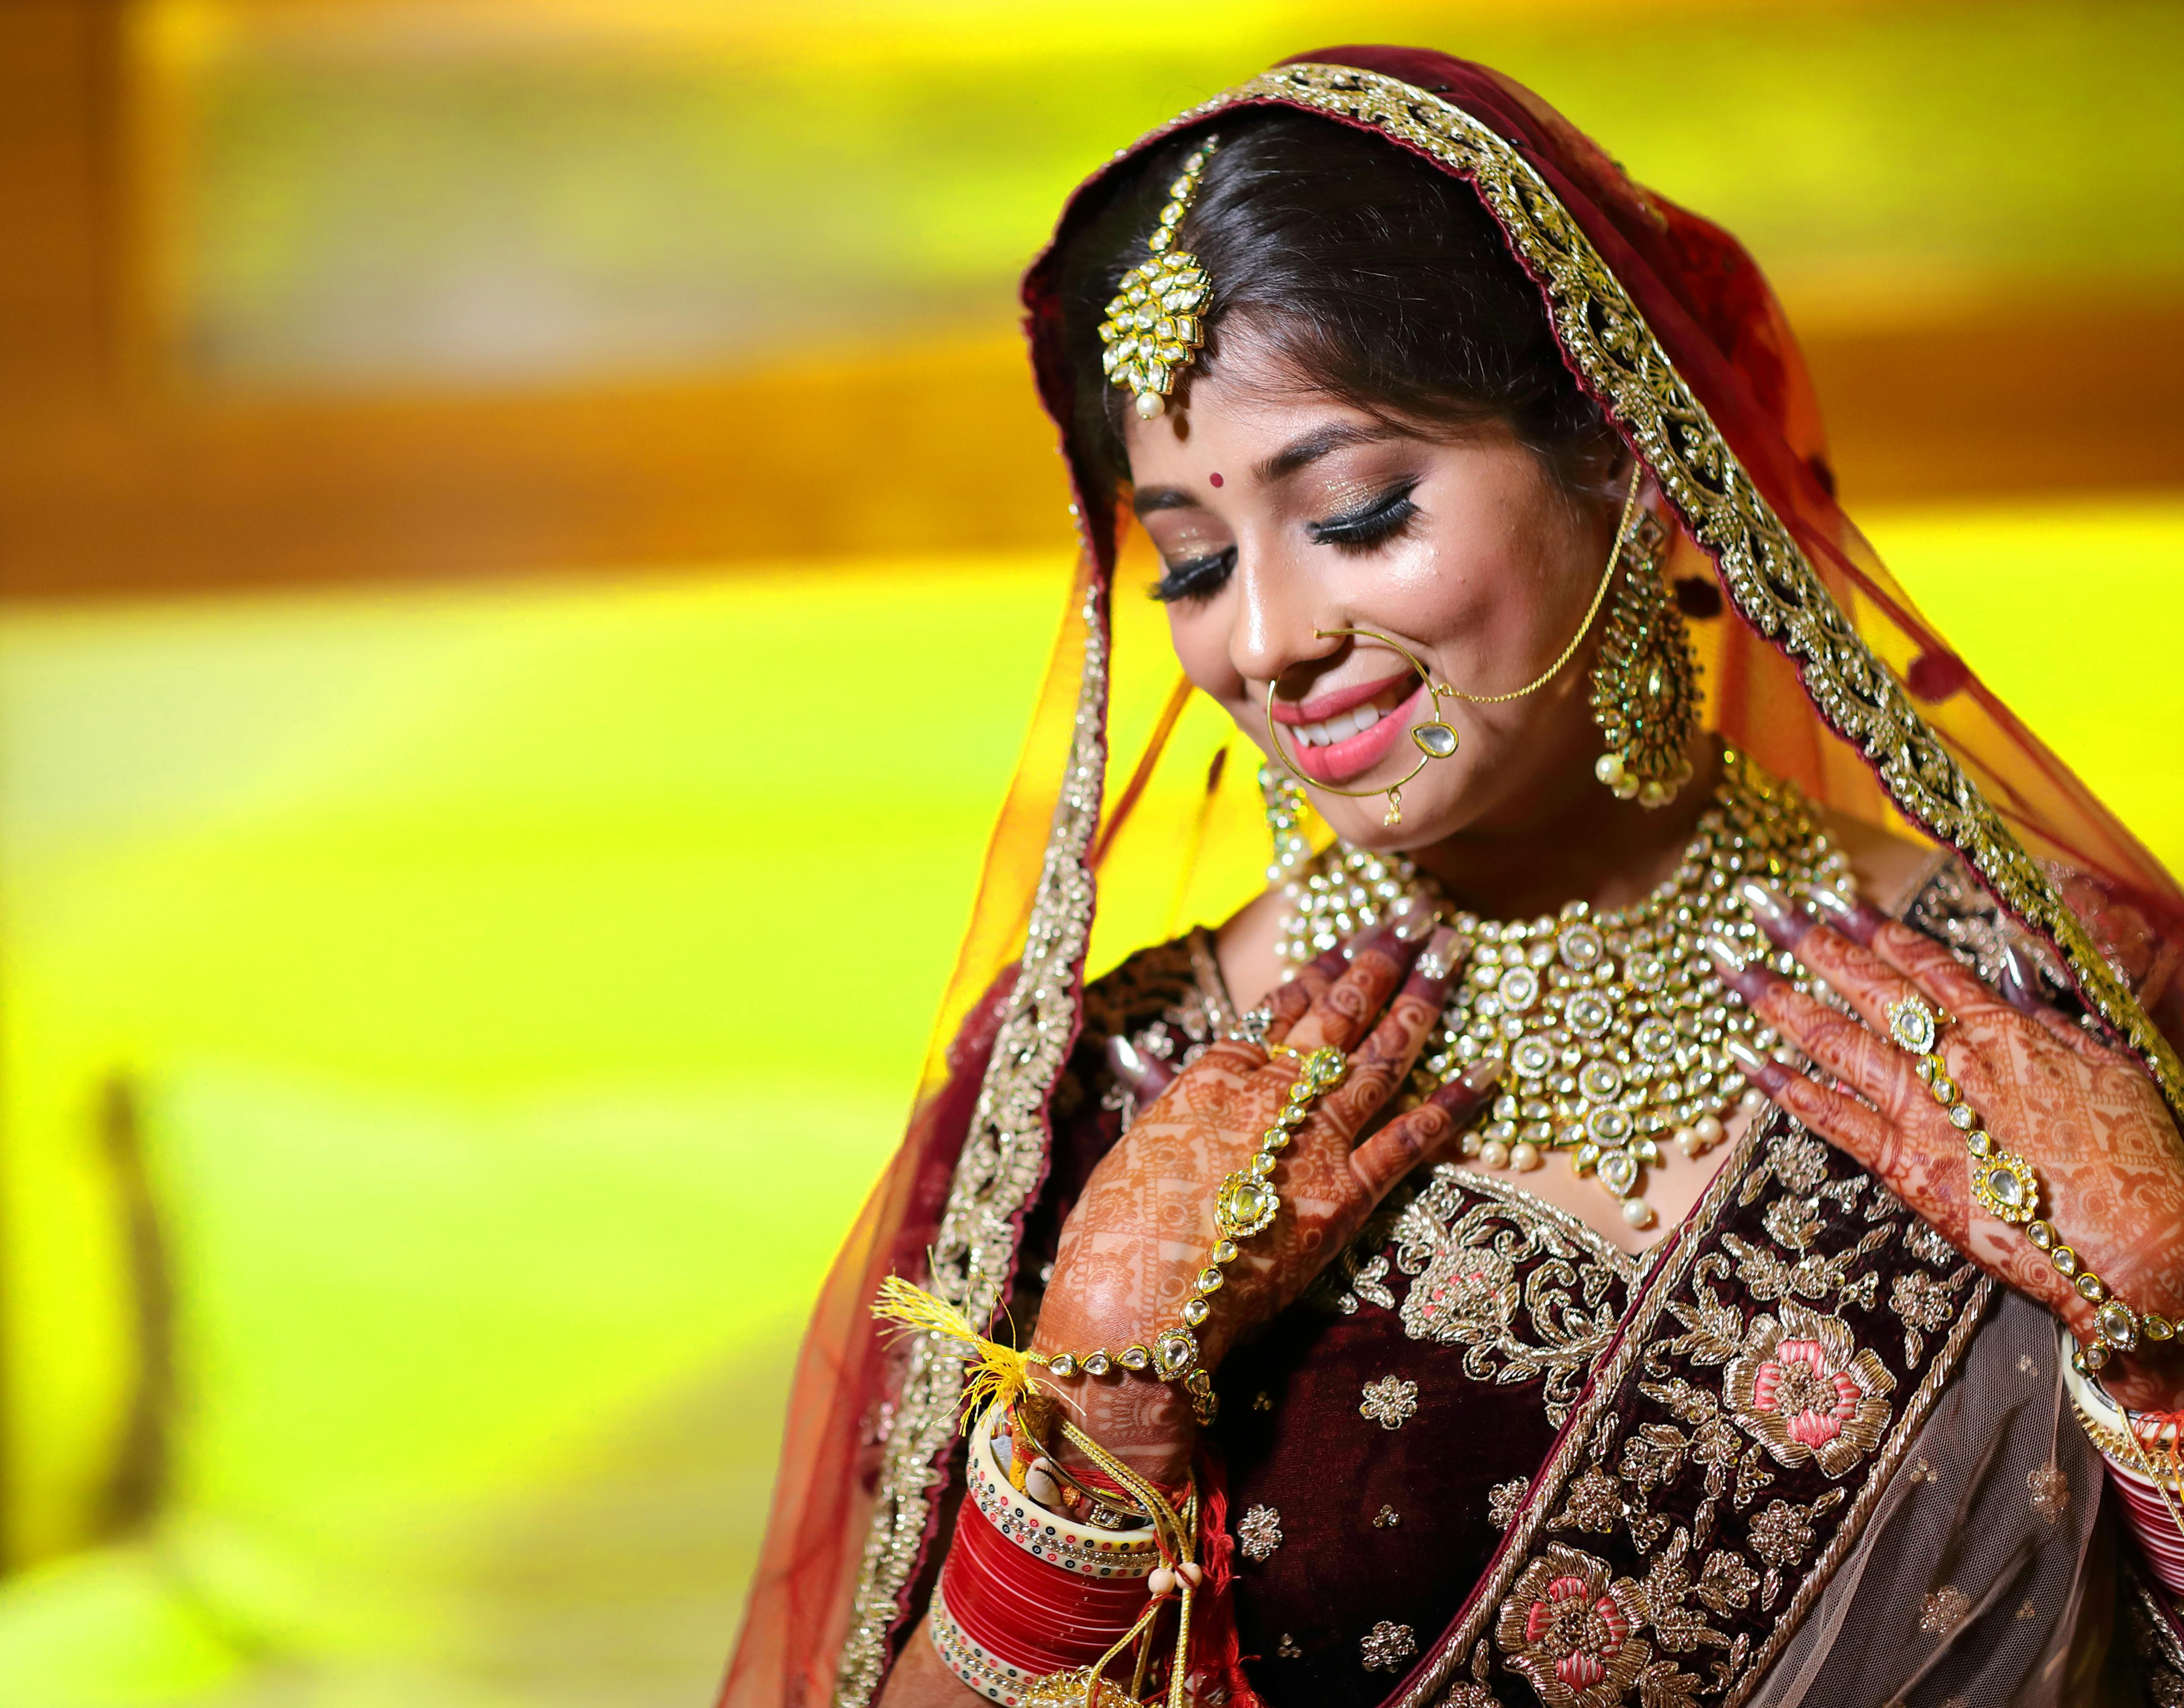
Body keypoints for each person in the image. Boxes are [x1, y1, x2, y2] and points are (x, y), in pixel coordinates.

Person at [720, 47, 2184, 1708]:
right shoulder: (1103, 1099)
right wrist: (1103, 1405)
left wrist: (2164, 1343)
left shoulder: (2071, 1008)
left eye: (1354, 512)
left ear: (1631, 465)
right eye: (1191, 560)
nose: (1263, 642)